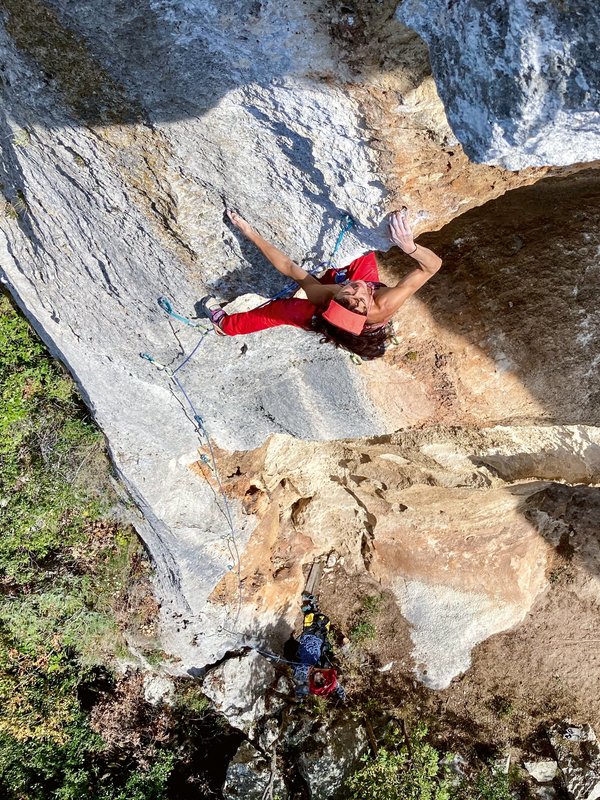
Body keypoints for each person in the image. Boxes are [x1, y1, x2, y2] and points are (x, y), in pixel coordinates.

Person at [200, 209, 443, 360]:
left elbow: (291, 268)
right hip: (346, 309)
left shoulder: (331, 297)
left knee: (283, 310)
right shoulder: (368, 298)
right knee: (361, 253)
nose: (356, 288)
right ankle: (228, 326)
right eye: (356, 295)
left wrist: (249, 233)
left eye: (350, 293)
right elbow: (432, 266)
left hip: (330, 316)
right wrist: (409, 246)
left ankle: (226, 326)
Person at [285, 608, 346, 702]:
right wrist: (340, 692)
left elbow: (300, 689)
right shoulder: (323, 667)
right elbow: (335, 684)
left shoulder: (303, 674)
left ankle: (310, 612)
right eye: (323, 678)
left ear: (314, 683)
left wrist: (297, 696)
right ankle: (312, 610)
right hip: (316, 640)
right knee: (322, 620)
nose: (320, 676)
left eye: (318, 680)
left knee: (288, 646)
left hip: (298, 647)